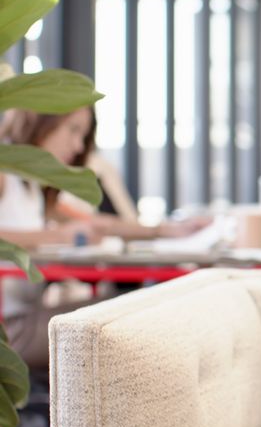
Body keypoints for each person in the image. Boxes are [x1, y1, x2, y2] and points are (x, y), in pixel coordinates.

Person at [0, 106, 207, 368]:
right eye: (73, 130)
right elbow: (63, 232)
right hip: (10, 333)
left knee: (134, 307)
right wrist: (59, 235)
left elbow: (99, 225)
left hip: (26, 319)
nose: (77, 146)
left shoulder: (32, 186)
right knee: (129, 315)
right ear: (43, 121)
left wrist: (164, 230)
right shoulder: (4, 172)